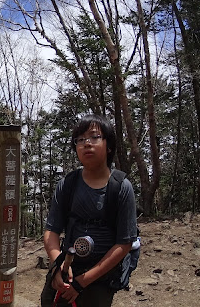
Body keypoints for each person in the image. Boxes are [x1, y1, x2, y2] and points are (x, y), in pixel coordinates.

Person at [41, 114, 138, 307]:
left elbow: (124, 243)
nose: (87, 143)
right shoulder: (67, 184)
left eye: (94, 137)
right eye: (80, 139)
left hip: (100, 279)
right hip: (65, 270)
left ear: (108, 146)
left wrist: (82, 282)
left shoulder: (121, 187)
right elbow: (51, 231)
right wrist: (57, 265)